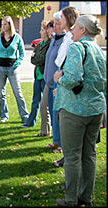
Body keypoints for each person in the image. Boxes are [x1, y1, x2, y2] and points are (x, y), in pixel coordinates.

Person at [54, 15, 106, 207]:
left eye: (74, 28)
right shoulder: (100, 51)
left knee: (73, 156)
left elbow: (73, 78)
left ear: (83, 30)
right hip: (95, 110)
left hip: (75, 110)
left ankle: (70, 201)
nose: (72, 31)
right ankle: (86, 198)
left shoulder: (77, 47)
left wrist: (59, 77)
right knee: (89, 154)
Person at [53, 6, 79, 165]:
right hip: (60, 74)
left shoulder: (73, 39)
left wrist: (61, 79)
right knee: (60, 116)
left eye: (61, 18)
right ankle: (65, 153)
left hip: (64, 76)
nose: (58, 21)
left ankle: (67, 157)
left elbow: (69, 62)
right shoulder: (66, 37)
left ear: (68, 19)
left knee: (65, 117)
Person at [0, 16, 29, 123]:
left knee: (18, 92)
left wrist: (16, 64)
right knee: (1, 93)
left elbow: (22, 54)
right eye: (2, 24)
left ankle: (25, 115)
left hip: (12, 69)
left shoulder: (17, 37)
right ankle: (4, 115)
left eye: (5, 24)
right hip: (0, 68)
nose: (3, 27)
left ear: (10, 25)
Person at [21, 20, 51, 128]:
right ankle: (31, 122)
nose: (40, 32)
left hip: (45, 77)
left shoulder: (49, 44)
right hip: (37, 76)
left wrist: (36, 57)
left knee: (46, 103)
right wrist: (36, 58)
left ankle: (49, 126)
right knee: (35, 100)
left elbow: (44, 59)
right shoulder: (39, 45)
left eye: (42, 30)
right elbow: (33, 59)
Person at [42, 11, 65, 149]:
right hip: (49, 83)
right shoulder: (54, 38)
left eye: (57, 24)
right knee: (52, 112)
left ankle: (61, 144)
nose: (54, 26)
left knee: (58, 116)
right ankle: (56, 141)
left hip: (58, 85)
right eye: (54, 24)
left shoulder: (65, 40)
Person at [34, 20, 54, 137]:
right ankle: (45, 131)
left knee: (52, 108)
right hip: (44, 77)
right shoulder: (43, 44)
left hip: (52, 80)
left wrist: (38, 58)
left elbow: (43, 59)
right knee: (42, 105)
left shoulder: (53, 42)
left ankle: (56, 136)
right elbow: (34, 58)